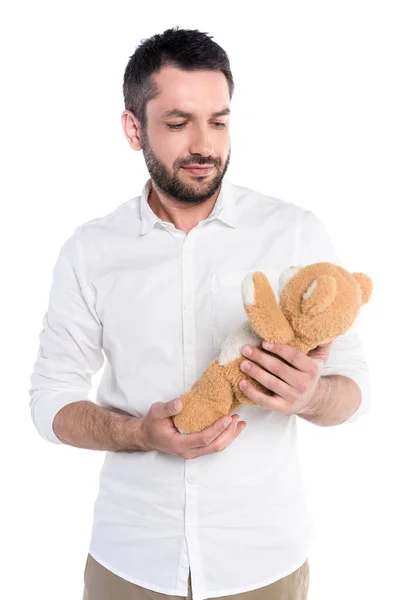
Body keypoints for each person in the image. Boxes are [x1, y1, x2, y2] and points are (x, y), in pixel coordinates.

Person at [29, 26, 370, 600]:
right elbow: (48, 401)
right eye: (178, 122)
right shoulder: (91, 250)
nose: (204, 145)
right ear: (133, 128)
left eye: (218, 120)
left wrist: (309, 396)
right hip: (131, 560)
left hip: (262, 562)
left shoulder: (293, 232)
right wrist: (138, 432)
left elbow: (356, 387)